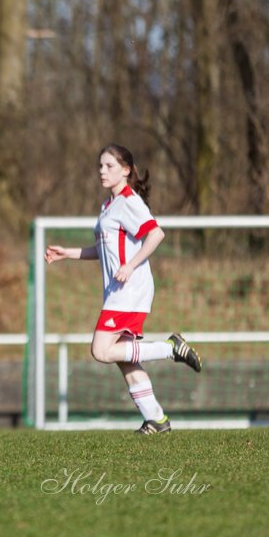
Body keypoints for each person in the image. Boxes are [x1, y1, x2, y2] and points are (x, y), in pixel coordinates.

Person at [43, 143, 202, 434]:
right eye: (100, 166)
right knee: (123, 359)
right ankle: (156, 419)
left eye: (109, 166)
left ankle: (171, 348)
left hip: (129, 291)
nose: (102, 171)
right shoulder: (109, 204)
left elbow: (156, 234)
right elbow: (104, 251)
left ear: (126, 171)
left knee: (101, 351)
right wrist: (68, 253)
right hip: (118, 292)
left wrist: (131, 265)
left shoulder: (129, 201)